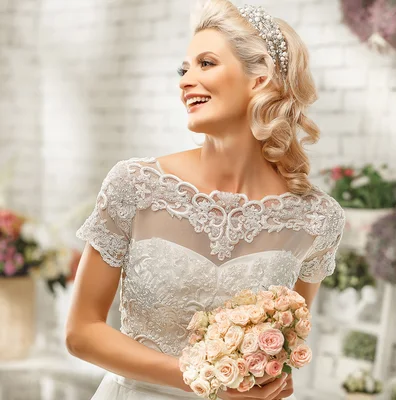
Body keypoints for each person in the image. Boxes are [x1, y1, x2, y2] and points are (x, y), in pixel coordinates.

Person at [65, 0, 345, 399]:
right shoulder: (136, 185)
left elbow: (286, 344)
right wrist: (203, 377)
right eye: (184, 69)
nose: (185, 80)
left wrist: (273, 381)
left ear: (259, 78)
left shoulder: (316, 218)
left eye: (206, 63)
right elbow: (81, 333)